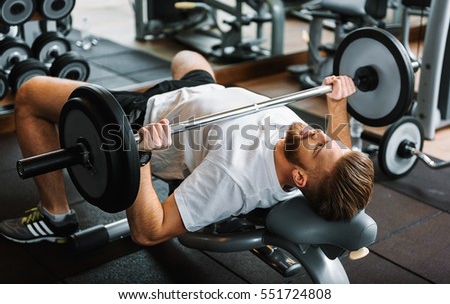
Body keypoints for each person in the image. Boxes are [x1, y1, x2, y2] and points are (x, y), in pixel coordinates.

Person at [0, 50, 374, 245]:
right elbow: (340, 143)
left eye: (322, 145)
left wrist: (140, 156)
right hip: (200, 92)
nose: (322, 134)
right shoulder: (306, 149)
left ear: (299, 177)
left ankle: (55, 215)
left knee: (30, 95)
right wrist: (337, 99)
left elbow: (150, 232)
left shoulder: (234, 179)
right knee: (188, 59)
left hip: (149, 115)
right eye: (332, 141)